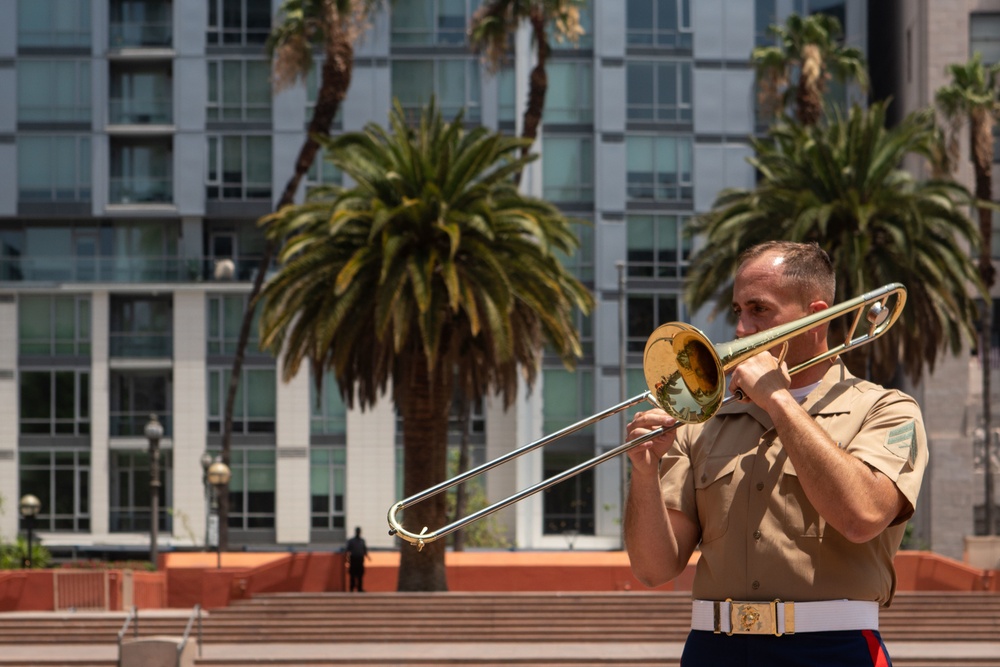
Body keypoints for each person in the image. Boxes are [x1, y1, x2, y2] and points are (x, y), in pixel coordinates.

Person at [624, 241, 927, 666]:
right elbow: (654, 568)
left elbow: (862, 518)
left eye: (759, 310)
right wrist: (644, 469)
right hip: (715, 648)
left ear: (815, 314)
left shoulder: (886, 409)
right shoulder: (703, 423)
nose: (741, 330)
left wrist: (778, 400)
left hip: (832, 648)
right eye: (737, 312)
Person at [345, 526, 372, 592]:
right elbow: (347, 550)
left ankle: (359, 589)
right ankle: (351, 588)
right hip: (353, 559)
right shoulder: (351, 541)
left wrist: (368, 557)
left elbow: (364, 550)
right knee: (352, 575)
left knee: (360, 575)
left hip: (360, 560)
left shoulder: (362, 541)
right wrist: (347, 560)